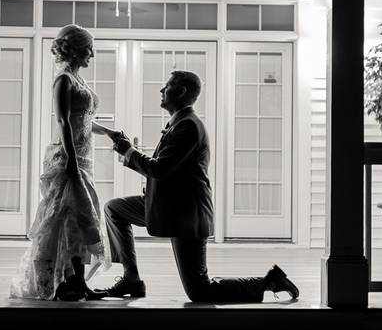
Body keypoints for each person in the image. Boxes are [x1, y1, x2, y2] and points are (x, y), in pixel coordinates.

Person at [103, 69, 299, 303]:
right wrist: (129, 154)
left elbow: (160, 169)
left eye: (167, 85)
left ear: (182, 91)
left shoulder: (188, 127)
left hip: (187, 214)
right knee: (114, 208)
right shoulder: (179, 124)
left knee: (200, 291)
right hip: (167, 206)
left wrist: (129, 151)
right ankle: (131, 278)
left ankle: (269, 281)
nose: (161, 90)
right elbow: (163, 169)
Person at [9, 24, 116, 301]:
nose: (92, 54)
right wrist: (70, 159)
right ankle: (71, 281)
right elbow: (64, 121)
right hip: (68, 159)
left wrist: (109, 132)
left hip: (84, 159)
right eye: (88, 48)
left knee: (82, 219)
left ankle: (78, 281)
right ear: (77, 49)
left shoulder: (79, 81)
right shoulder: (64, 80)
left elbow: (85, 121)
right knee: (71, 217)